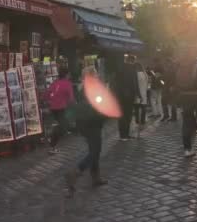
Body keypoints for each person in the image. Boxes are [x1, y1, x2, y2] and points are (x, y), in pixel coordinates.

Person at [65, 67, 109, 197]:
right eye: (95, 74)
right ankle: (75, 172)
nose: (97, 76)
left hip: (85, 124)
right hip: (93, 123)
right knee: (95, 152)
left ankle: (96, 177)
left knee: (93, 150)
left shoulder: (82, 88)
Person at [46, 67, 75, 154]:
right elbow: (71, 98)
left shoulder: (55, 83)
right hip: (61, 108)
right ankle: (52, 142)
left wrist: (50, 100)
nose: (69, 76)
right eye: (69, 74)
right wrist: (74, 104)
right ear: (66, 75)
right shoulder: (67, 83)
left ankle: (53, 138)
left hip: (53, 108)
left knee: (62, 125)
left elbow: (47, 94)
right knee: (63, 127)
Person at [116, 55, 140, 141]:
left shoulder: (120, 68)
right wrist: (138, 94)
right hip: (129, 95)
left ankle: (122, 135)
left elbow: (117, 82)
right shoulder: (132, 69)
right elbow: (135, 82)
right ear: (133, 60)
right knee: (128, 115)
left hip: (120, 95)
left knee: (121, 115)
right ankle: (125, 134)